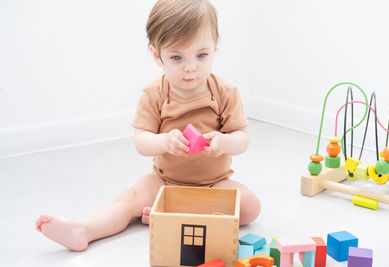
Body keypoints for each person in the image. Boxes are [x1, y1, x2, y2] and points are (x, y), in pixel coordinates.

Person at [35, 0, 261, 252]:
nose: (190, 67)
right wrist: (164, 142)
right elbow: (141, 141)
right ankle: (83, 229)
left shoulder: (225, 92)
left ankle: (170, 213)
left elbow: (242, 137)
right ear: (157, 55)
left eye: (202, 55)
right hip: (164, 182)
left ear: (216, 47)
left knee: (251, 206)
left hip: (213, 185)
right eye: (177, 57)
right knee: (128, 200)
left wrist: (223, 142)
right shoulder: (155, 92)